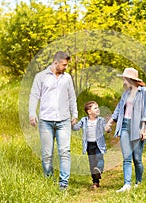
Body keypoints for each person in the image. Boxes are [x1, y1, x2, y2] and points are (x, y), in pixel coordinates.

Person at [29, 51, 78, 190]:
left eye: (66, 65)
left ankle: (63, 183)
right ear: (55, 63)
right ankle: (49, 181)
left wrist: (74, 113)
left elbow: (72, 97)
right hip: (46, 121)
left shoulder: (67, 78)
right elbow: (34, 96)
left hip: (64, 121)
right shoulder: (41, 77)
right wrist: (32, 113)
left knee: (65, 152)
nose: (66, 67)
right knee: (47, 154)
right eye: (64, 65)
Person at [105, 67, 146, 193]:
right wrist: (110, 123)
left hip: (138, 126)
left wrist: (143, 128)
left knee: (137, 158)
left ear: (130, 79)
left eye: (124, 78)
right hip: (125, 125)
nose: (123, 80)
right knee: (126, 157)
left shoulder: (144, 92)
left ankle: (139, 182)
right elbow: (119, 109)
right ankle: (127, 184)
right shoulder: (126, 93)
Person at [72, 101, 110, 189]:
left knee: (99, 158)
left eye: (98, 107)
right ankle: (95, 182)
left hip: (98, 144)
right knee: (92, 163)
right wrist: (72, 123)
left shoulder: (101, 120)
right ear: (89, 112)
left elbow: (106, 128)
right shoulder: (84, 120)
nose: (98, 109)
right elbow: (76, 128)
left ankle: (99, 171)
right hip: (89, 145)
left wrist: (108, 129)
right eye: (95, 108)